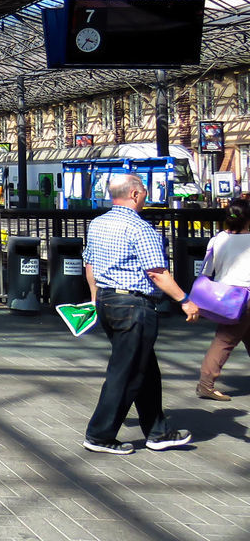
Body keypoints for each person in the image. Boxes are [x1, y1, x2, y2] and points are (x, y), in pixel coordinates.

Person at [82, 173, 198, 454]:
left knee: (144, 369)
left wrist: (97, 299)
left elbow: (89, 265)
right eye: (144, 191)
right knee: (126, 372)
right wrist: (184, 299)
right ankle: (99, 435)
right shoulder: (140, 228)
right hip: (134, 307)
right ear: (134, 194)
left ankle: (158, 432)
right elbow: (157, 273)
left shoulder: (98, 223)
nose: (146, 196)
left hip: (108, 302)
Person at [196, 198, 250, 401]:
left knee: (233, 337)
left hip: (226, 296)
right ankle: (205, 385)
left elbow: (208, 269)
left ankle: (206, 384)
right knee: (224, 341)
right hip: (246, 296)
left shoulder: (217, 239)